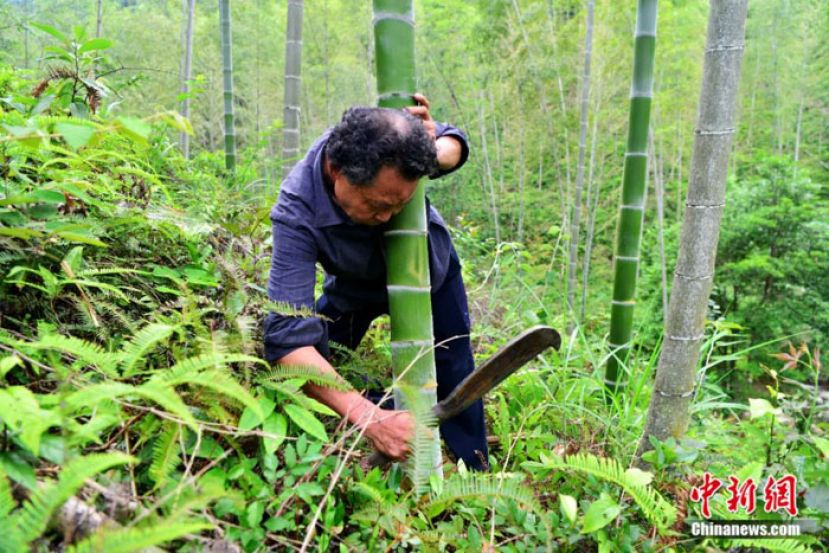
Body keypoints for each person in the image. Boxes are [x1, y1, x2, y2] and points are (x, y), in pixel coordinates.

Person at [263, 94, 488, 471]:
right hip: (353, 282)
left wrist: (436, 152)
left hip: (429, 273)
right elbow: (287, 339)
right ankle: (377, 419)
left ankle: (475, 466)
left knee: (454, 365)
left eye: (399, 206)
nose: (386, 218)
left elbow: (455, 144)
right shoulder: (296, 209)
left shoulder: (394, 140)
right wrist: (369, 417)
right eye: (376, 205)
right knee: (317, 360)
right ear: (337, 172)